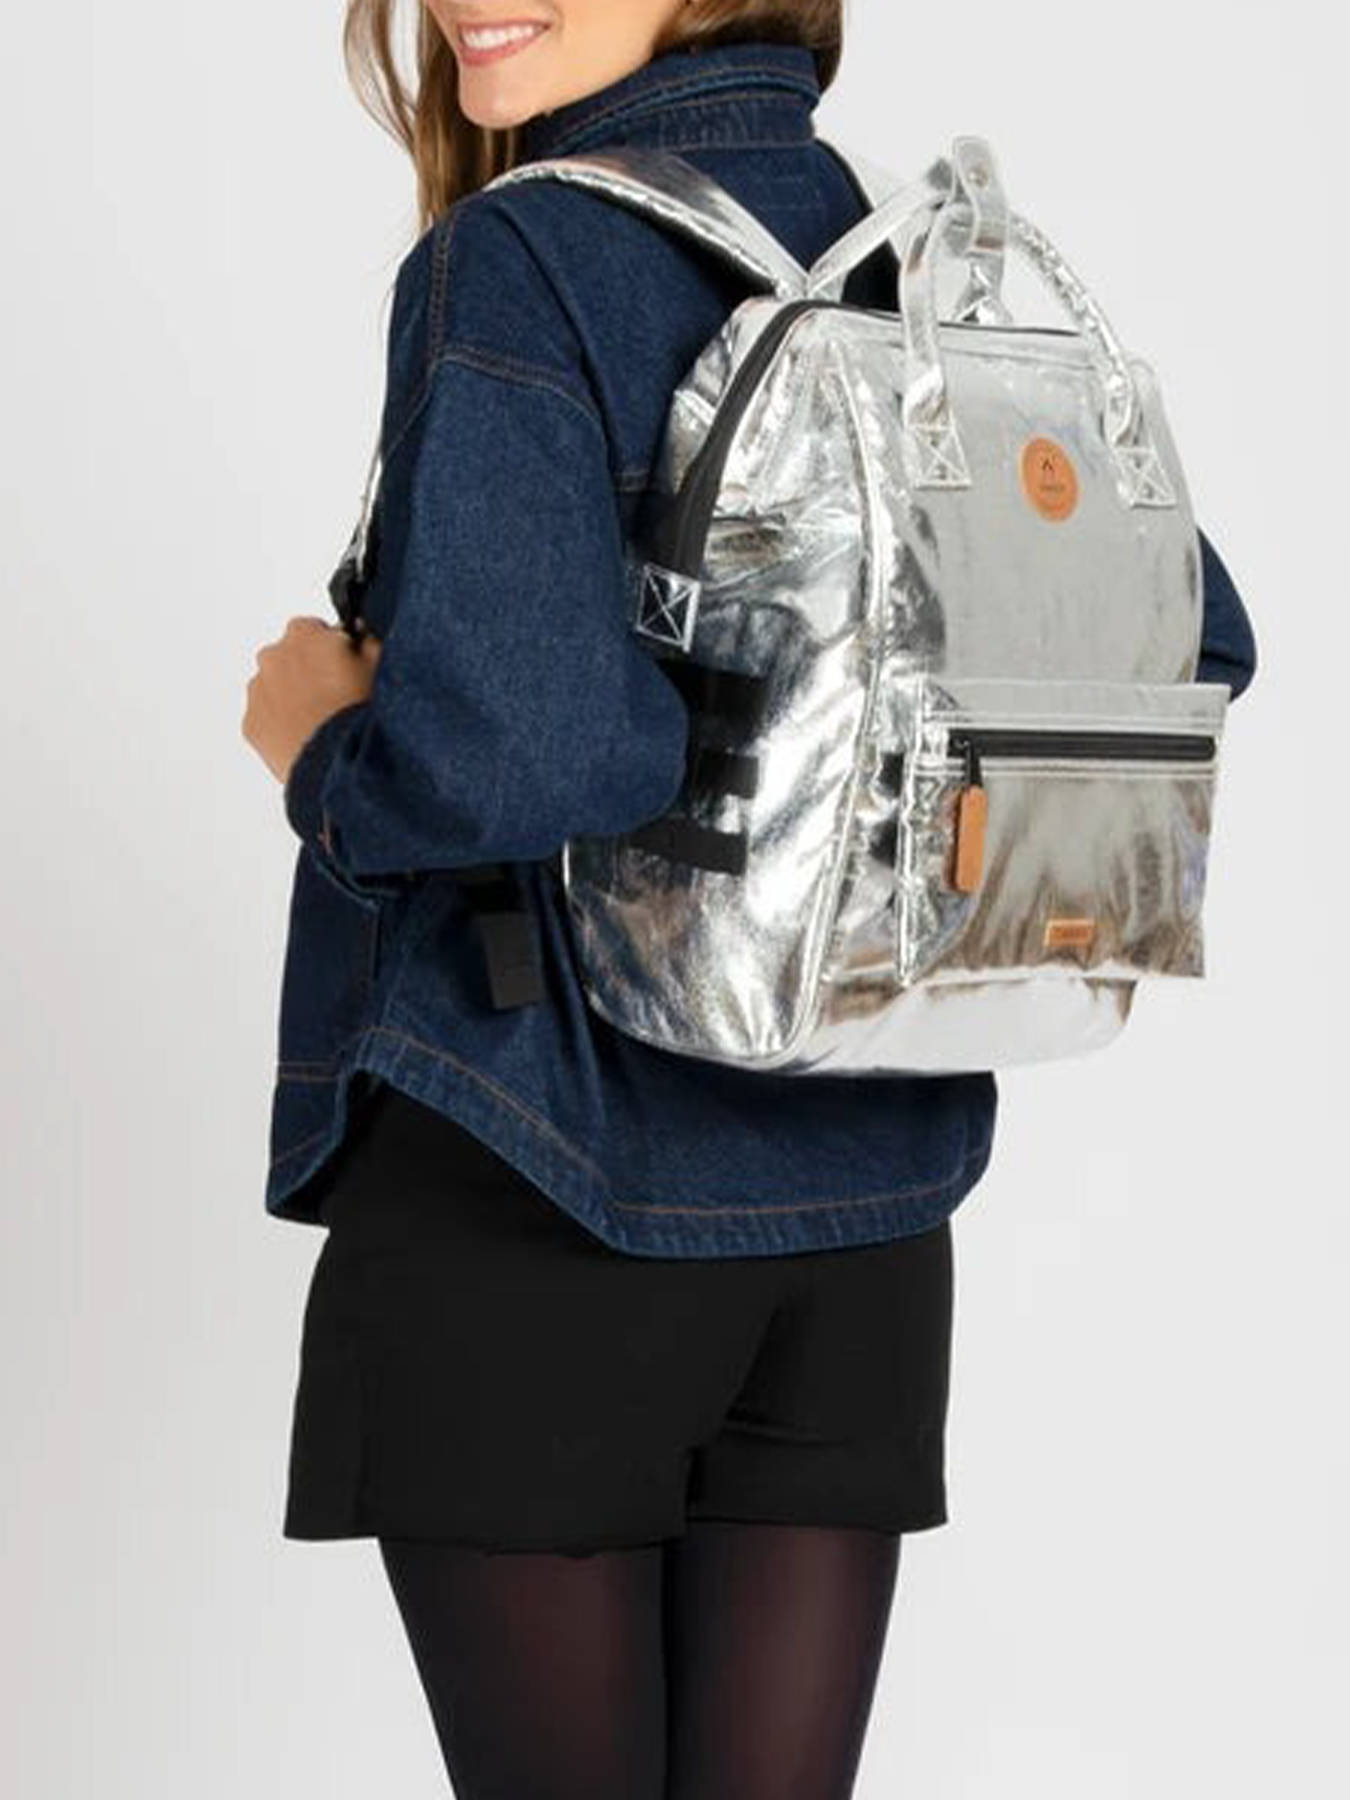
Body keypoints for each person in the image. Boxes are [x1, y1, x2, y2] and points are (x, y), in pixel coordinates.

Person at [240, 3, 1260, 1795]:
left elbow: (540, 754)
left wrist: (322, 746)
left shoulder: (525, 255)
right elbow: (1194, 641)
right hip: (864, 1213)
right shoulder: (919, 264)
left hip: (545, 1176)